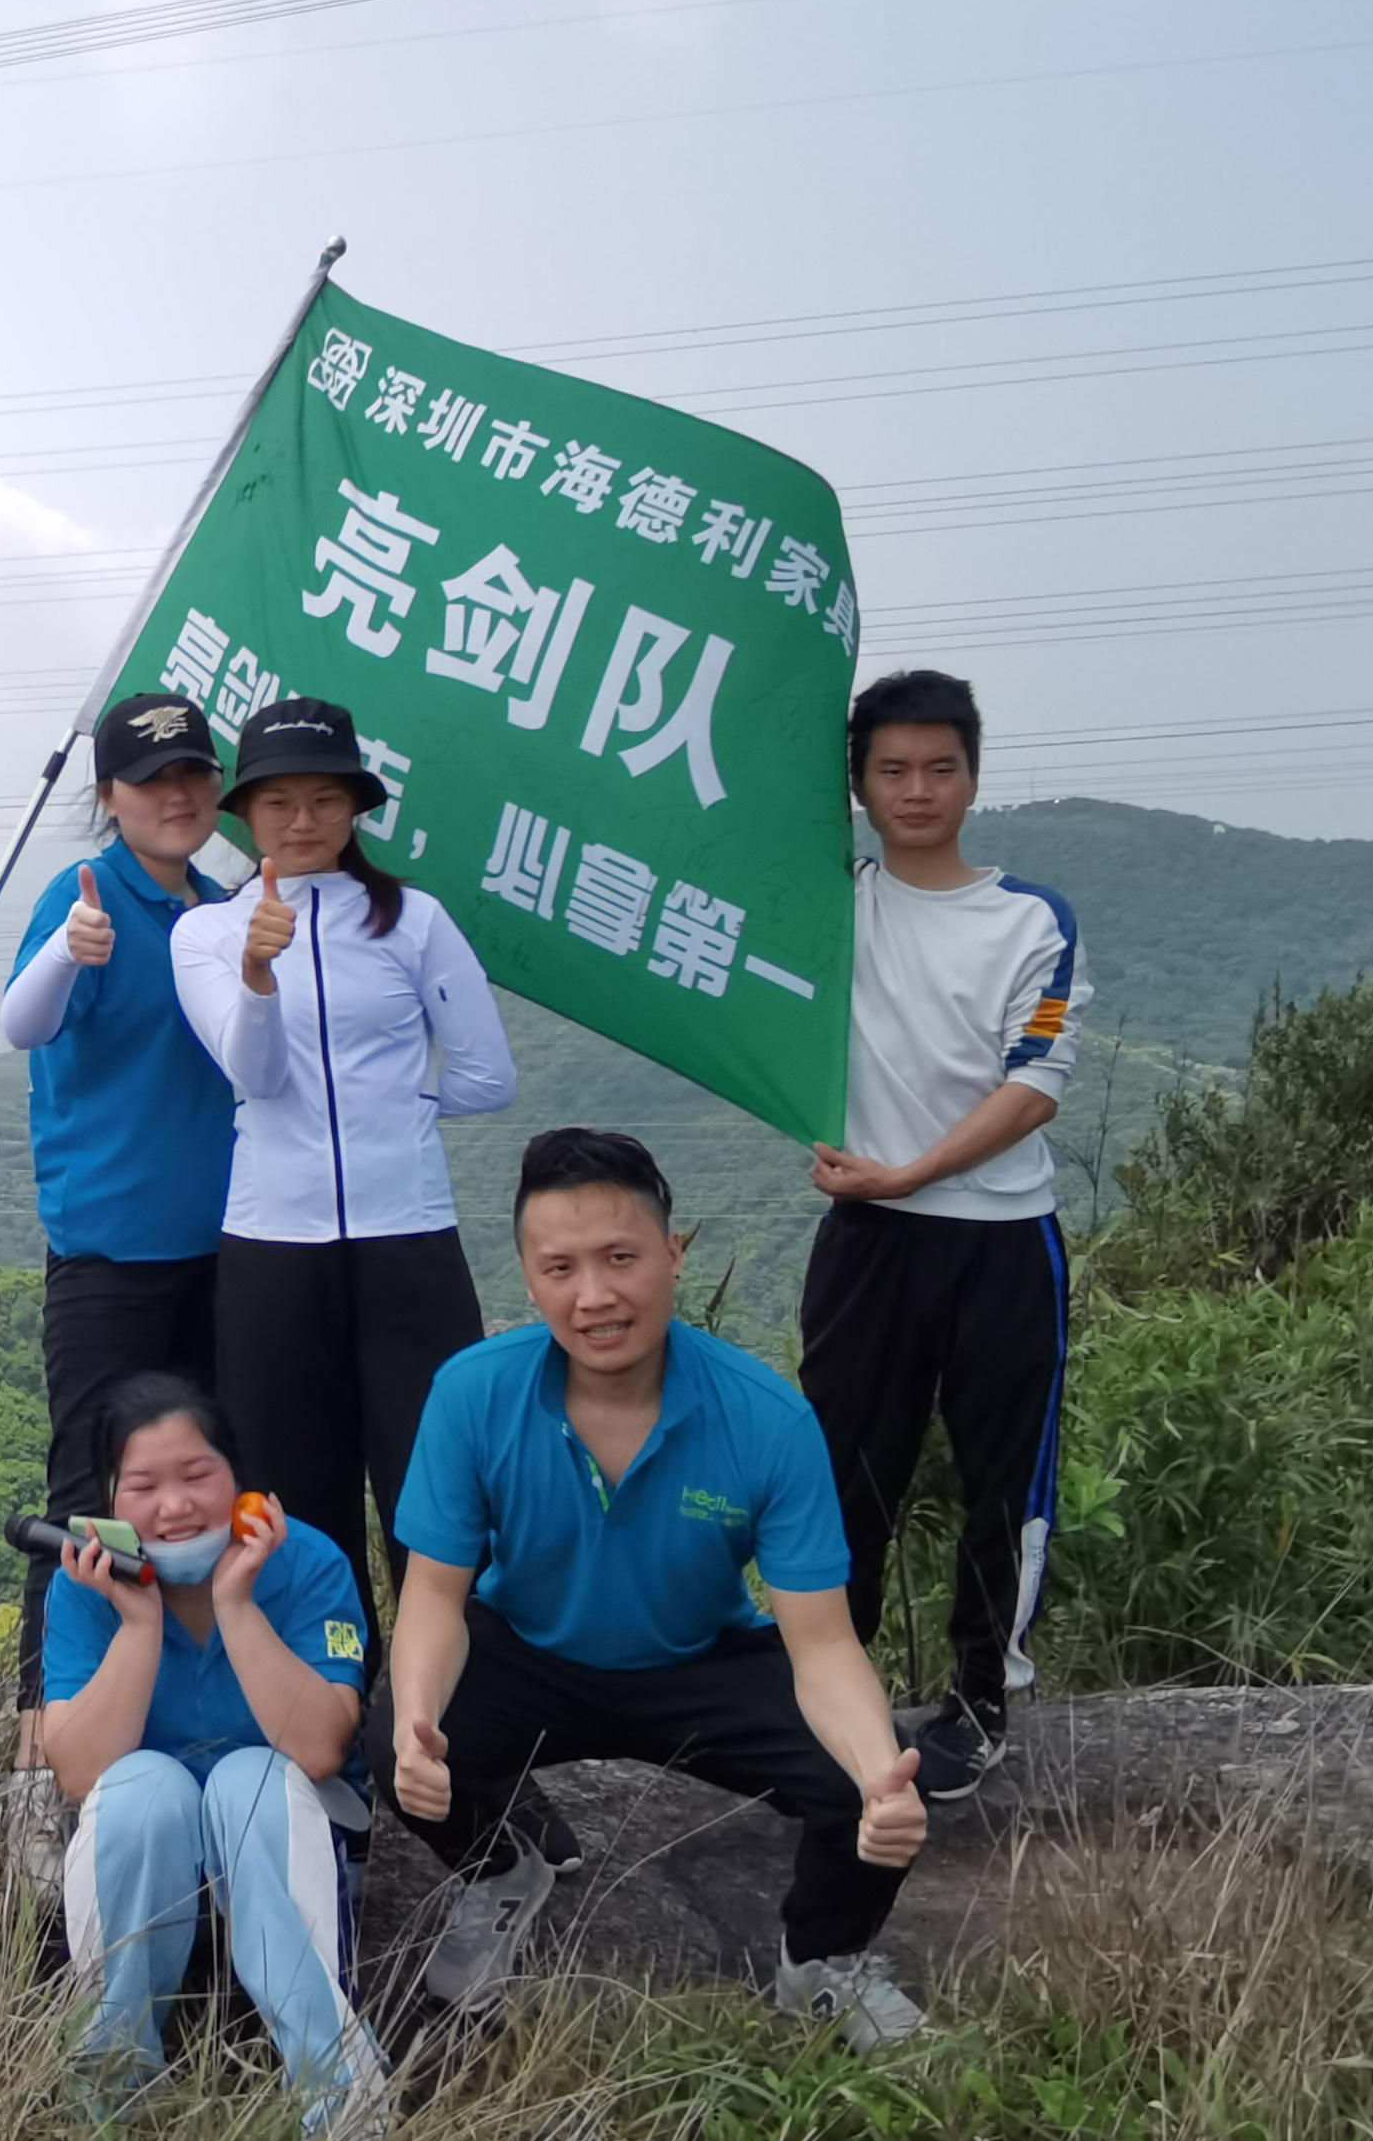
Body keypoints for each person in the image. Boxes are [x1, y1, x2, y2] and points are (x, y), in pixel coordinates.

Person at [388, 1129, 932, 2052]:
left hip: (699, 1659)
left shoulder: (766, 1419)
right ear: (529, 1280)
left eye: (621, 1258)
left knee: (865, 1778)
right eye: (560, 1268)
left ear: (674, 1256)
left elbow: (823, 1643)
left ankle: (819, 1962)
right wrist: (415, 1721)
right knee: (393, 1741)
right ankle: (502, 1873)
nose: (594, 1296)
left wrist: (882, 1771)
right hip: (531, 1651)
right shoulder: (472, 1395)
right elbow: (434, 1602)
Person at [169, 696, 516, 1651]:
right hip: (271, 1249)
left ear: (357, 808)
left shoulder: (413, 919)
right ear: (245, 813)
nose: (303, 820)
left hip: (410, 1240)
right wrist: (258, 976)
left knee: (437, 1485)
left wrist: (397, 1111)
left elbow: (489, 1076)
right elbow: (255, 1074)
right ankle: (329, 1700)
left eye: (326, 799)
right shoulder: (207, 934)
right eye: (278, 801)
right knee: (288, 1491)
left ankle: (447, 1703)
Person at [801, 669, 1089, 1799]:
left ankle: (980, 1699)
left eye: (939, 768)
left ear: (972, 777)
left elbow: (1036, 1085)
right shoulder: (832, 903)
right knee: (842, 1475)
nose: (916, 790)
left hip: (1001, 1240)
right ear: (859, 784)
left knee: (1002, 1481)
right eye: (892, 770)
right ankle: (834, 1697)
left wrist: (912, 1171)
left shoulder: (1032, 920)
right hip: (867, 1242)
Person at [40, 1373, 389, 2141]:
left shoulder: (308, 1563)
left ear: (240, 1479)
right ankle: (109, 2085)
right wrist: (138, 1625)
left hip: (286, 1838)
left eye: (197, 1475)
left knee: (248, 1778)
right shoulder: (87, 1588)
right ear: (107, 1500)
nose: (174, 1507)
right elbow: (81, 1773)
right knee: (142, 1784)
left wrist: (236, 1603)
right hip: (151, 1863)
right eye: (143, 1486)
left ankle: (340, 2100)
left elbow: (320, 1747)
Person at [0, 692, 235, 1731]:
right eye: (149, 780)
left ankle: (196, 1711)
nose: (174, 795)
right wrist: (69, 948)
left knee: (206, 1497)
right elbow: (22, 1022)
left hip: (228, 1258)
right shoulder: (84, 894)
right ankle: (41, 1746)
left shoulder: (220, 909)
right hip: (108, 1262)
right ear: (109, 796)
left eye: (192, 774)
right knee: (91, 1503)